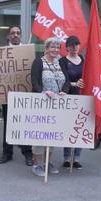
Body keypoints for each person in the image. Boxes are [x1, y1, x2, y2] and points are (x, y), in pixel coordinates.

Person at [30, 37, 66, 176]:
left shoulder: (60, 62)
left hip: (56, 105)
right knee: (40, 134)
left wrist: (65, 91)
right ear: (46, 48)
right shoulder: (38, 62)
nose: (55, 50)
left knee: (53, 135)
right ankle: (37, 164)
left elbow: (67, 80)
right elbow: (34, 82)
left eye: (57, 47)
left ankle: (47, 163)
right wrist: (44, 92)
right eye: (52, 47)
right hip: (42, 104)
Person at [0, 25, 33, 166]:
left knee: (24, 123)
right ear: (8, 36)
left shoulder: (27, 51)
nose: (15, 35)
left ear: (21, 35)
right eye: (13, 33)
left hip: (23, 94)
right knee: (8, 124)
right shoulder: (1, 52)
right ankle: (7, 152)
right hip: (7, 94)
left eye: (18, 33)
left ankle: (27, 152)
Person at [59, 35, 85, 169]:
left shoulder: (83, 59)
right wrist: (74, 83)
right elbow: (62, 78)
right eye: (71, 45)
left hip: (80, 97)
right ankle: (67, 157)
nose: (74, 48)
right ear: (67, 47)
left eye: (76, 45)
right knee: (68, 127)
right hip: (67, 97)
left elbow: (86, 75)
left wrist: (83, 81)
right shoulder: (62, 61)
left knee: (79, 127)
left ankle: (77, 157)